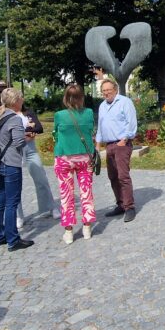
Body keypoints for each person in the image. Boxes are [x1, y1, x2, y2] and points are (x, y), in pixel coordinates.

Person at [53, 84, 97, 244]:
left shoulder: (59, 115)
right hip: (85, 158)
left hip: (64, 157)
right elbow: (91, 131)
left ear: (66, 98)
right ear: (81, 98)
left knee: (66, 195)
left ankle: (69, 231)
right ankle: (87, 228)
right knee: (86, 192)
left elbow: (55, 135)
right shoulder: (89, 113)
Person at [0, 87, 33, 251]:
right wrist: (27, 137)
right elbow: (18, 142)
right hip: (10, 163)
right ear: (16, 101)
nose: (22, 101)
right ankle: (13, 240)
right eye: (21, 99)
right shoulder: (14, 119)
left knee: (0, 199)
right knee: (12, 202)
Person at [96, 78, 138, 222]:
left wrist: (124, 140)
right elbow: (101, 127)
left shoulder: (125, 102)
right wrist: (98, 144)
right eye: (104, 91)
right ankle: (120, 204)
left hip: (122, 144)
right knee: (113, 176)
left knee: (123, 176)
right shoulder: (102, 106)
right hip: (109, 145)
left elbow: (131, 123)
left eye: (109, 90)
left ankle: (129, 207)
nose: (106, 93)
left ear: (115, 90)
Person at [16, 102, 56, 228]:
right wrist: (27, 132)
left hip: (30, 150)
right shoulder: (7, 114)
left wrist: (28, 131)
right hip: (14, 152)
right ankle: (18, 215)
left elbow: (39, 127)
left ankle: (50, 206)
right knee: (15, 184)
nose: (19, 101)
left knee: (41, 179)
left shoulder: (27, 112)